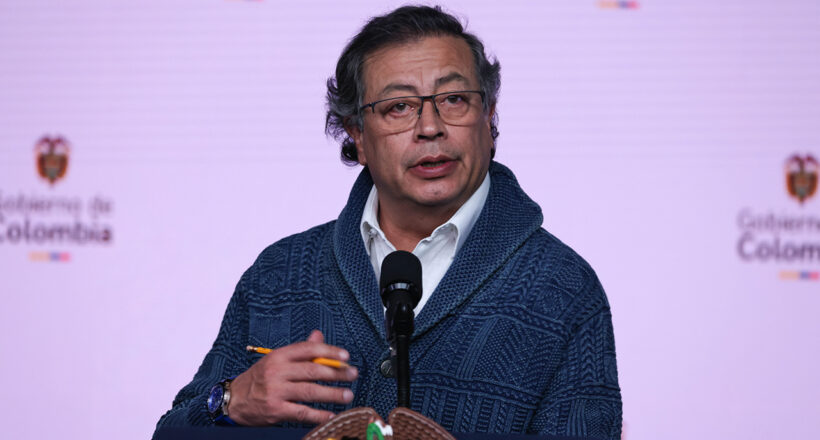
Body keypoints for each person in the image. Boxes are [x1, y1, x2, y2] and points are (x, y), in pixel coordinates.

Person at [155, 5, 622, 439]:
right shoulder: (280, 273)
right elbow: (172, 432)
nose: (430, 127)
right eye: (399, 106)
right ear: (357, 134)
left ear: (489, 116)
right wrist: (231, 401)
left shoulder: (562, 288)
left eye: (454, 99)